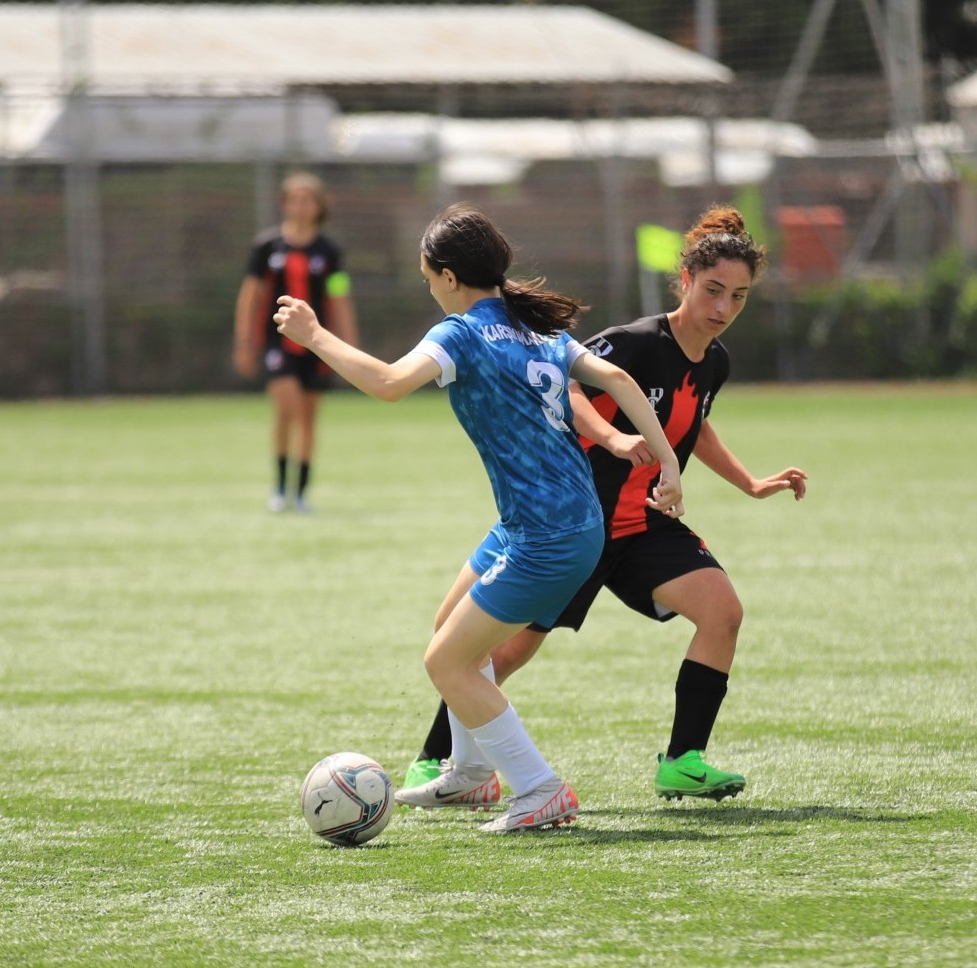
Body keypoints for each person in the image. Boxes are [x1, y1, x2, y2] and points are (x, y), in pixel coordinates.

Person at [272, 203, 684, 833]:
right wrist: (667, 464)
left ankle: (540, 789)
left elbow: (387, 384)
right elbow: (621, 380)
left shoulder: (461, 332)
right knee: (451, 629)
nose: (430, 290)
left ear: (446, 276)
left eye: (427, 278)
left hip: (549, 536)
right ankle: (469, 775)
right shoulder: (534, 328)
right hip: (548, 522)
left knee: (448, 662)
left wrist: (314, 336)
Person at [401, 205, 806, 806]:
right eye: (714, 290)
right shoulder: (636, 342)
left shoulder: (714, 362)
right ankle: (437, 759)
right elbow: (566, 384)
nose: (723, 308)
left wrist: (748, 483)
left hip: (642, 525)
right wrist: (614, 438)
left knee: (723, 612)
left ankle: (683, 760)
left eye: (739, 297)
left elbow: (691, 425)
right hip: (579, 521)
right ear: (686, 280)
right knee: (501, 651)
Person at [234, 172, 358, 513]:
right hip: (279, 343)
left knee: (308, 417)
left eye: (309, 199)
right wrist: (244, 341)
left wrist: (350, 345)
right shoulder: (267, 247)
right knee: (285, 406)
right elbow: (250, 294)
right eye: (295, 199)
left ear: (319, 206)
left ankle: (301, 492)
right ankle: (279, 486)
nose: (302, 206)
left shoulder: (329, 252)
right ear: (284, 203)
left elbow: (339, 296)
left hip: (318, 345)